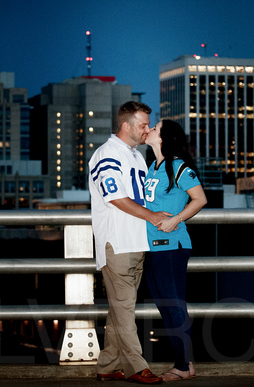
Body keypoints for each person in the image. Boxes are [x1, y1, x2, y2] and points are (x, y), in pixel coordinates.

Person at [88, 101, 169, 384]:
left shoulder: (135, 155)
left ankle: (108, 365)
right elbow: (115, 198)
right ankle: (136, 366)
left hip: (136, 242)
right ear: (126, 126)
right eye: (143, 125)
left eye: (148, 124)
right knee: (124, 308)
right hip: (118, 242)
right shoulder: (106, 154)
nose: (147, 129)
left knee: (120, 308)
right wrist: (153, 216)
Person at [143, 120, 207, 381]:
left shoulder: (178, 167)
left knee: (174, 305)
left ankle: (182, 367)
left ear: (164, 138)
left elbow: (200, 198)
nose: (150, 130)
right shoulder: (153, 166)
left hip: (172, 247)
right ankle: (186, 363)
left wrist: (175, 219)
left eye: (155, 128)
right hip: (152, 247)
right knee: (166, 306)